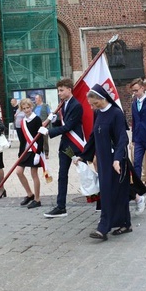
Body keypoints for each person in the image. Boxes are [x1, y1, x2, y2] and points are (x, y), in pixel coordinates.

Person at [75, 83, 131, 240]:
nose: (93, 107)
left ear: (102, 98)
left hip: (115, 160)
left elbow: (122, 138)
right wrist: (84, 155)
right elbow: (94, 136)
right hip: (103, 160)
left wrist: (118, 159)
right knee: (106, 192)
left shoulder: (116, 113)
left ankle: (116, 225)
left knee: (118, 192)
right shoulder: (98, 114)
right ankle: (107, 225)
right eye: (91, 105)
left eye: (95, 103)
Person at [45, 78, 84, 218]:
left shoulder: (76, 105)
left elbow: (68, 127)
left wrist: (49, 132)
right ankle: (61, 206)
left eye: (61, 90)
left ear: (69, 89)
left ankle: (99, 200)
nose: (59, 93)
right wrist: (54, 121)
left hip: (75, 145)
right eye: (58, 91)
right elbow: (62, 123)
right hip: (65, 146)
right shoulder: (63, 104)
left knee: (85, 174)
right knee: (62, 175)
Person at [15, 98, 44, 209]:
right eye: (24, 108)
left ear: (32, 107)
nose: (26, 110)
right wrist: (19, 154)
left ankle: (37, 199)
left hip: (35, 150)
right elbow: (22, 140)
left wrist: (38, 153)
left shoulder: (36, 119)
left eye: (28, 108)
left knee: (34, 174)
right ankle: (29, 194)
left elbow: (40, 137)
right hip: (25, 151)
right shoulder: (23, 121)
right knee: (19, 172)